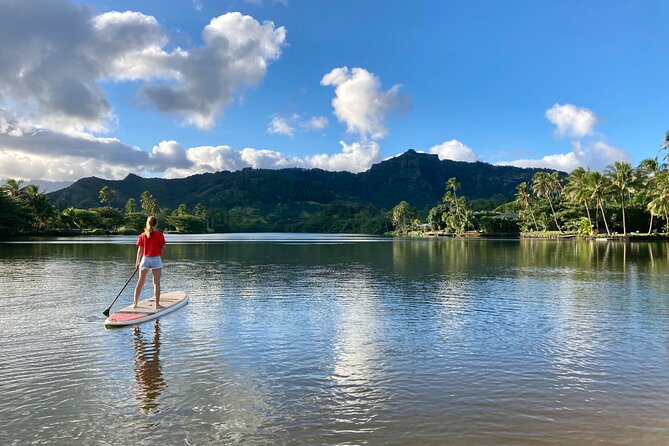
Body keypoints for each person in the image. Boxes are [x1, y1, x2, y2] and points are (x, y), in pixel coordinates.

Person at [133, 216, 166, 310]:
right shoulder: (159, 235)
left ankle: (135, 303)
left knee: (140, 282)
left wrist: (137, 261)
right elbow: (163, 246)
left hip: (145, 259)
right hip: (156, 259)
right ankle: (157, 305)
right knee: (156, 283)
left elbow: (140, 250)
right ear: (156, 224)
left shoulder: (143, 235)